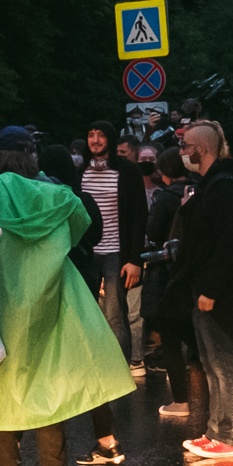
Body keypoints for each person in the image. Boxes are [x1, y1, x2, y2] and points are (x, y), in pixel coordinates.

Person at [0, 128, 132, 466]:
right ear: (32, 157)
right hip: (52, 295)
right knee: (49, 380)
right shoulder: (59, 195)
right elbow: (80, 231)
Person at [176, 119, 233, 463]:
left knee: (225, 363)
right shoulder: (210, 184)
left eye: (186, 145)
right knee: (212, 363)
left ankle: (231, 435)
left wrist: (210, 288)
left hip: (218, 292)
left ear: (202, 149)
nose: (183, 152)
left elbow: (227, 244)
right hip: (204, 287)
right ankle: (215, 431)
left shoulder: (223, 187)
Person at [80, 124, 149, 370]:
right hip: (86, 253)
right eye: (91, 135)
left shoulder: (127, 171)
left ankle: (120, 367)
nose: (95, 140)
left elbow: (138, 216)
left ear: (110, 139)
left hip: (114, 251)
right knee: (86, 311)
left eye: (100, 135)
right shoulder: (81, 170)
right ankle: (93, 365)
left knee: (115, 314)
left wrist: (134, 259)